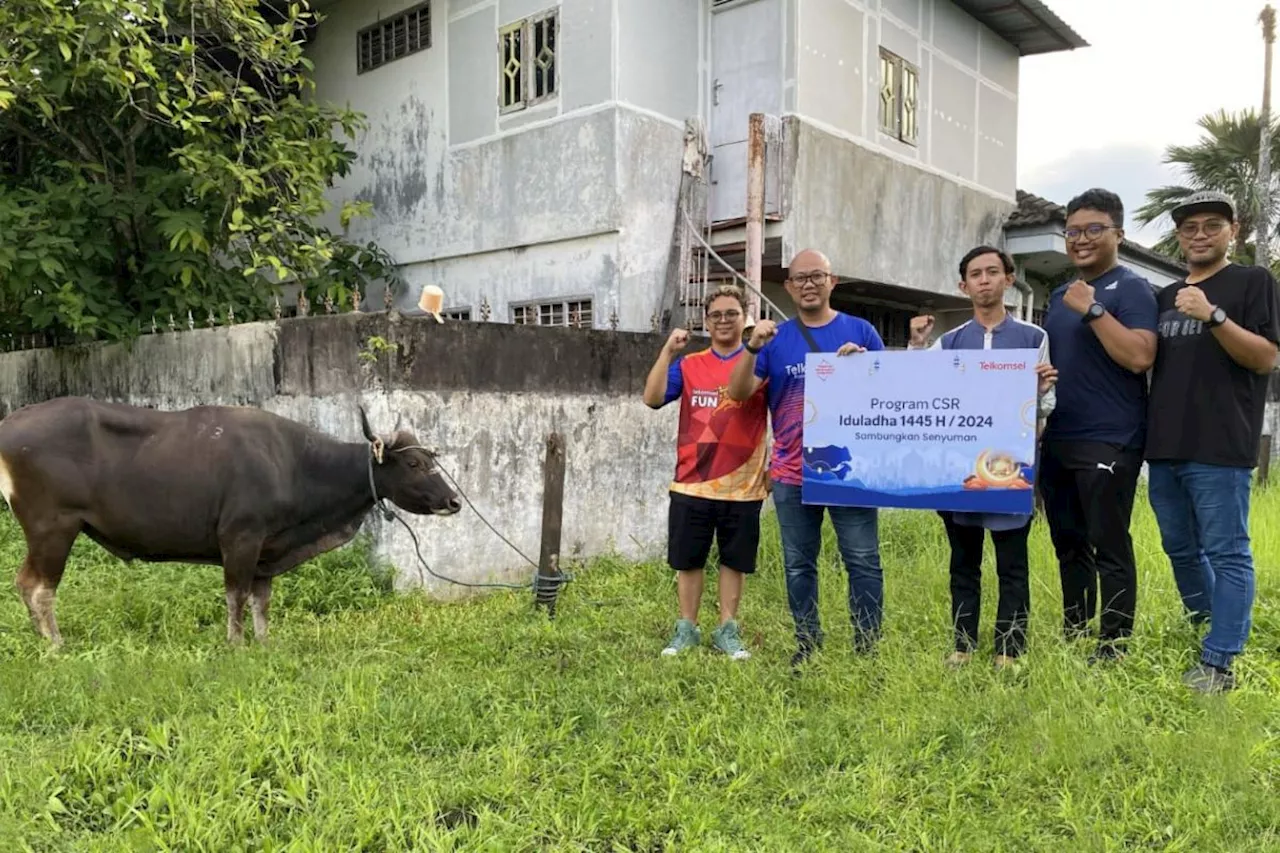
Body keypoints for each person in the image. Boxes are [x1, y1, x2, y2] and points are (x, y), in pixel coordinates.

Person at [1144, 190, 1280, 694]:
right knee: (1179, 547)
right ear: (1180, 237)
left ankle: (1220, 661)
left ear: (1233, 230)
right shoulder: (1164, 296)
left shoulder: (1252, 282)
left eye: (1211, 225)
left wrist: (1214, 315)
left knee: (1227, 552)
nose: (1199, 234)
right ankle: (1206, 625)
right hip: (1164, 446)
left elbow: (1266, 358)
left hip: (1221, 445)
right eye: (1190, 227)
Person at [726, 249, 885, 669]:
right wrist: (750, 348)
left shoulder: (863, 331)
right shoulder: (776, 341)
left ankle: (867, 650)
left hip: (850, 471)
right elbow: (739, 394)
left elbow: (889, 395)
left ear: (832, 281)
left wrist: (866, 368)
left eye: (817, 275)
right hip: (792, 473)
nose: (809, 284)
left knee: (863, 561)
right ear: (790, 287)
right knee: (799, 566)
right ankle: (807, 644)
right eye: (800, 278)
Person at [909, 247, 1058, 670]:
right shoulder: (950, 343)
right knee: (963, 564)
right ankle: (962, 645)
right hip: (960, 473)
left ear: (1008, 279)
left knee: (1012, 565)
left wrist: (1042, 392)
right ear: (964, 285)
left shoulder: (1033, 339)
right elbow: (920, 393)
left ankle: (1010, 649)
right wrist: (917, 346)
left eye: (993, 272)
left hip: (1011, 471)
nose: (984, 280)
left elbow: (1044, 412)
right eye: (975, 274)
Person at [1039, 188, 1158, 662]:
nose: (1081, 239)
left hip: (1111, 437)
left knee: (1108, 541)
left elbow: (1139, 356)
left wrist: (1092, 308)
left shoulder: (1131, 288)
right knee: (1067, 541)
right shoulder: (1056, 295)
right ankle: (1075, 628)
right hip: (1060, 435)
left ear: (1118, 235)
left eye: (1094, 229)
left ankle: (1114, 643)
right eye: (1073, 231)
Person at [643, 285, 770, 660]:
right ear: (706, 321)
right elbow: (652, 398)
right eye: (716, 315)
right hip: (692, 482)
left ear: (743, 317)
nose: (724, 321)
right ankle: (687, 627)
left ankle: (727, 629)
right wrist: (668, 351)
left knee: (735, 560)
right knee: (688, 560)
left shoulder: (759, 361)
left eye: (732, 313)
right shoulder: (691, 364)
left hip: (742, 484)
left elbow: (779, 409)